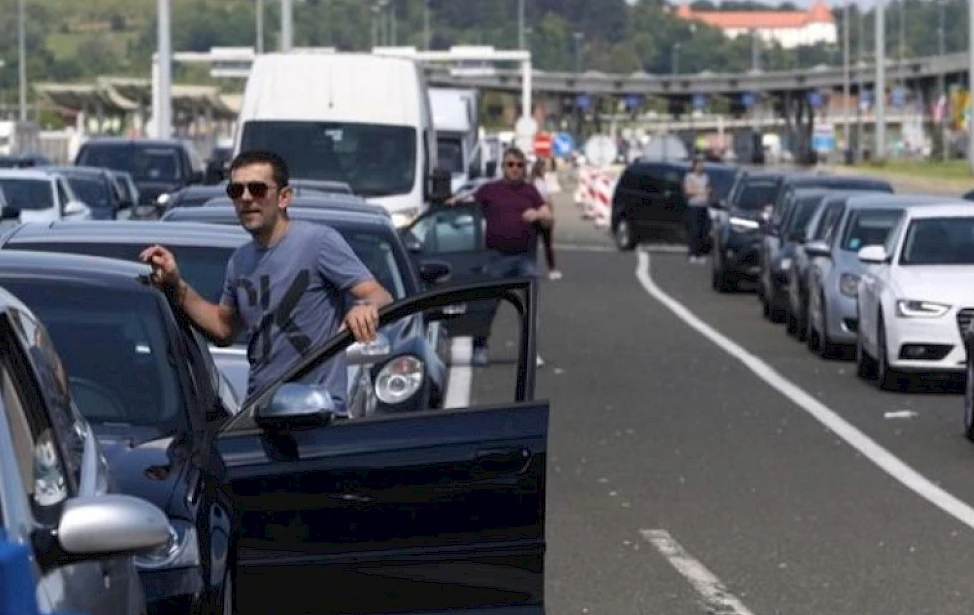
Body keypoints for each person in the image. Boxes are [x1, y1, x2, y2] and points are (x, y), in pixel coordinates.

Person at [140, 150, 393, 413]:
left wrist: (364, 307)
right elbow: (224, 329)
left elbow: (379, 295)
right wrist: (176, 285)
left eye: (257, 189)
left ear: (284, 197)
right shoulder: (240, 261)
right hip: (260, 412)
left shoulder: (318, 242)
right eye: (236, 191)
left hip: (317, 414)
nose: (246, 198)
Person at [448, 146, 554, 367]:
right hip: (495, 257)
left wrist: (539, 214)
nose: (515, 169)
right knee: (486, 304)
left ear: (525, 168)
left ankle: (530, 351)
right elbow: (467, 202)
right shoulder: (490, 190)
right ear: (503, 167)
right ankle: (479, 348)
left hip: (525, 257)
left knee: (529, 307)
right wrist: (452, 204)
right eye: (510, 165)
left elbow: (548, 216)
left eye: (519, 165)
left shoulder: (530, 192)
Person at [529, 157, 562, 281]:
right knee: (548, 244)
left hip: (533, 215)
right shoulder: (541, 183)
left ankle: (531, 268)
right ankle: (552, 269)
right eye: (544, 168)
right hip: (543, 215)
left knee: (532, 245)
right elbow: (547, 200)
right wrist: (551, 213)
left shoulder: (531, 182)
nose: (546, 170)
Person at [683, 156, 712, 264]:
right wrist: (701, 191)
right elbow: (688, 190)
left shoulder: (706, 177)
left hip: (703, 207)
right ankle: (692, 254)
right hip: (693, 207)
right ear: (694, 166)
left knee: (703, 230)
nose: (701, 166)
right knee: (694, 231)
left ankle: (700, 254)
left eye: (702, 164)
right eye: (699, 164)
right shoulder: (689, 177)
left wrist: (702, 190)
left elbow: (709, 190)